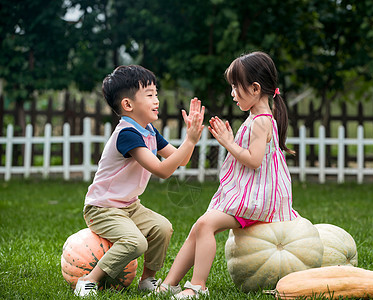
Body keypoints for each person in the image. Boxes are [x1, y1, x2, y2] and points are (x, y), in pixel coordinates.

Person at [155, 51, 299, 299]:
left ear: (255, 88)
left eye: (236, 86)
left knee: (206, 224)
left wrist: (228, 142)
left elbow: (254, 161)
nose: (232, 93)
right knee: (199, 227)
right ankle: (170, 284)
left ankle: (197, 286)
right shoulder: (257, 118)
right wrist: (231, 141)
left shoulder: (262, 121)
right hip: (251, 194)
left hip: (259, 200)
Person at [74, 65, 205, 297]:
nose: (157, 100)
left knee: (162, 228)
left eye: (156, 93)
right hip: (103, 208)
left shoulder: (149, 131)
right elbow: (163, 170)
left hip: (129, 206)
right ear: (128, 105)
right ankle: (88, 279)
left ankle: (148, 280)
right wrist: (190, 140)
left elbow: (180, 161)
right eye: (150, 95)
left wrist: (190, 140)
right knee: (136, 243)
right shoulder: (127, 134)